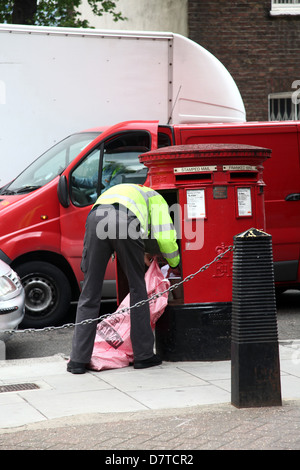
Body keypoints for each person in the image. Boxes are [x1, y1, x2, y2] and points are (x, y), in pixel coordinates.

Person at [68, 183, 180, 374]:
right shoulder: (157, 199)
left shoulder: (123, 190)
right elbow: (165, 239)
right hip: (125, 221)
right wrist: (175, 263)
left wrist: (142, 249)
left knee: (89, 293)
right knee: (138, 289)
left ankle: (77, 361)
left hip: (96, 218)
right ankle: (144, 356)